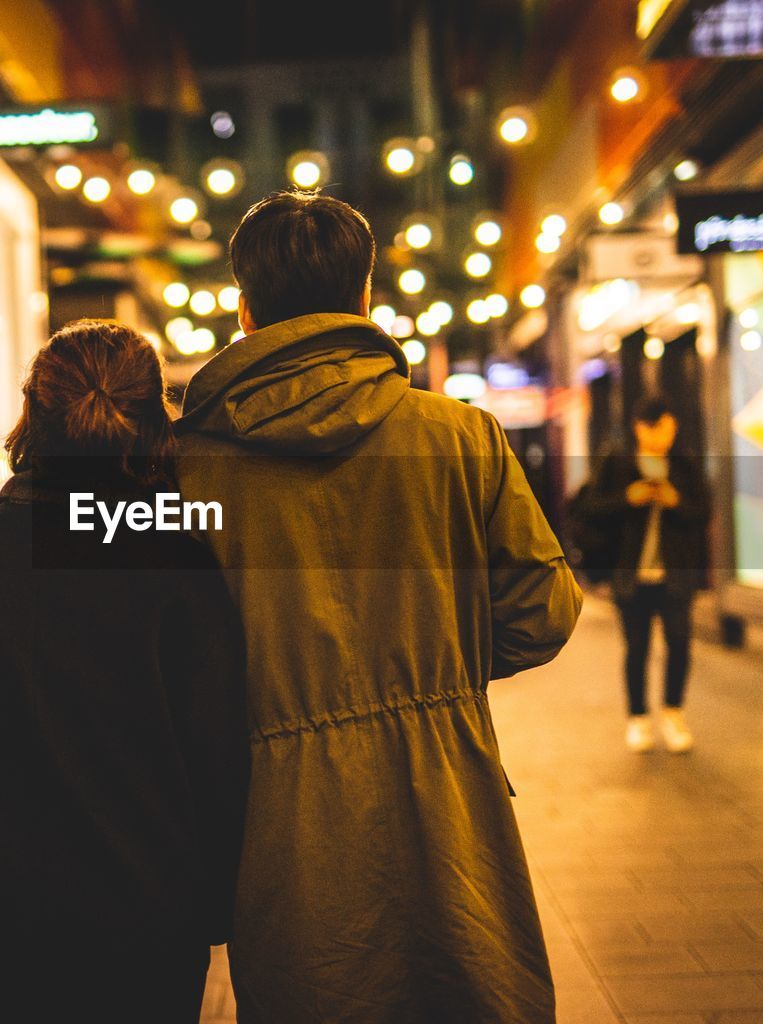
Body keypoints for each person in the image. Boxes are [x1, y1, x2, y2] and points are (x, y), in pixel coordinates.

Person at [175, 191, 583, 1024]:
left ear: (243, 309)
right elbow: (543, 607)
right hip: (447, 785)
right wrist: (443, 666)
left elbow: (167, 649)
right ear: (366, 297)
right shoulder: (460, 436)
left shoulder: (184, 472)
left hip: (281, 813)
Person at [0, 320, 250, 1022]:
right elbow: (220, 757)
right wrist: (212, 908)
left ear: (31, 412)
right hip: (143, 929)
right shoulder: (182, 566)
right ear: (154, 420)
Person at [581, 394, 712, 753]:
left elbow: (705, 511)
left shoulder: (684, 465)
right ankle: (638, 718)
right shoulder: (618, 464)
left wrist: (676, 502)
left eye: (669, 430)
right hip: (630, 575)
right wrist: (628, 498)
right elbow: (589, 508)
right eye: (657, 429)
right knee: (636, 648)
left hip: (675, 574)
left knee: (680, 643)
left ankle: (673, 713)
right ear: (641, 428)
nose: (664, 438)